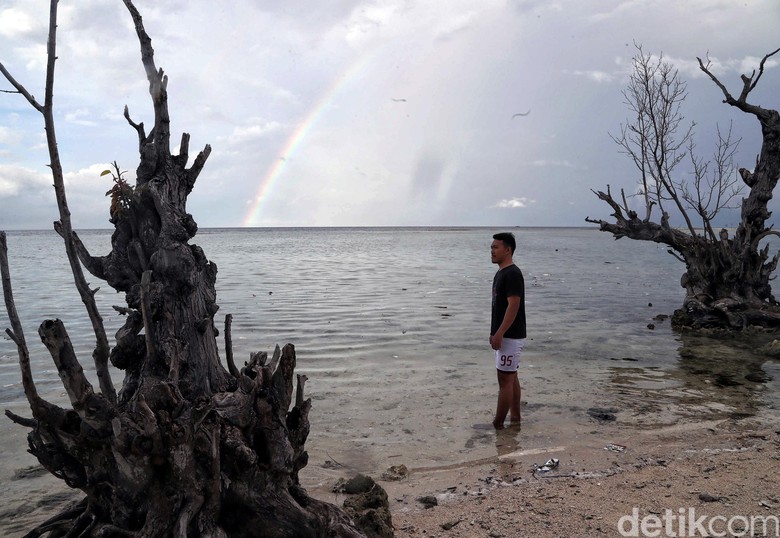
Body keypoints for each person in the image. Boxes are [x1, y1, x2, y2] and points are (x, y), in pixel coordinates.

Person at [489, 232, 526, 430]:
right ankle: (516, 419)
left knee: (504, 380)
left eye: (496, 247)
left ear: (508, 249)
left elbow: (514, 306)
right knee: (511, 377)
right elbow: (499, 307)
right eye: (491, 248)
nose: (492, 251)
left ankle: (497, 425)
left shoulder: (512, 273)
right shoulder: (501, 273)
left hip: (511, 335)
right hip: (507, 334)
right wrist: (494, 331)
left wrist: (500, 333)